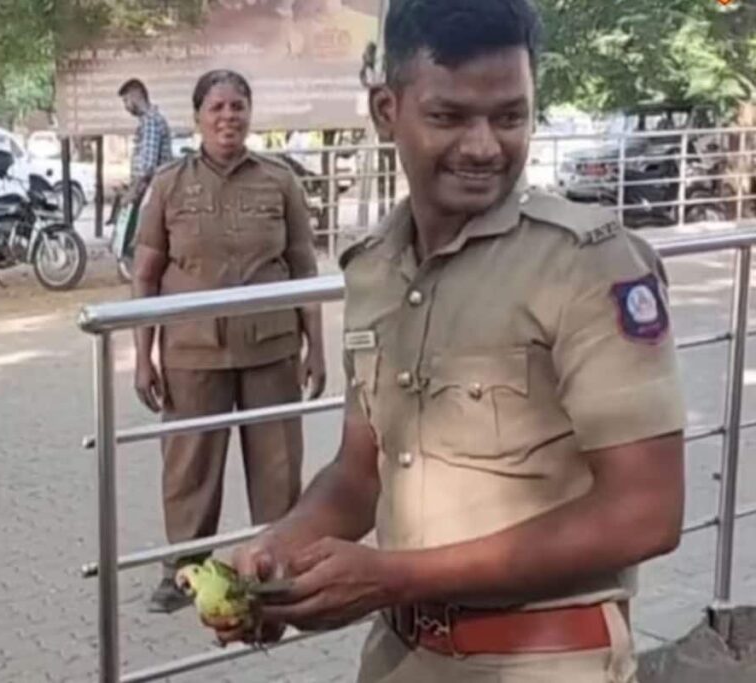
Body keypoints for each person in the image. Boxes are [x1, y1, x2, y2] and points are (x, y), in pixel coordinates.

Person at [206, 1, 687, 681]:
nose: (485, 145)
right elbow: (358, 472)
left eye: (511, 116)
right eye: (450, 117)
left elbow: (646, 511)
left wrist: (395, 576)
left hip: (546, 660)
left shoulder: (587, 264)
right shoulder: (373, 268)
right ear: (386, 110)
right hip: (400, 657)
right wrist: (275, 555)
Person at [132, 69, 326, 613]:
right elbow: (145, 274)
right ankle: (182, 570)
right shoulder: (170, 183)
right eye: (216, 107)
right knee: (189, 464)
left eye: (238, 106)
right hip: (192, 352)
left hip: (272, 347)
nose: (228, 117)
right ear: (197, 117)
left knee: (278, 462)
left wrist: (317, 345)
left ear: (249, 113)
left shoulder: (278, 179)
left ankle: (277, 565)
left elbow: (304, 266)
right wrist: (141, 357)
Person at [118, 78, 174, 205]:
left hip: (154, 194)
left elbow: (147, 167)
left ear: (136, 96)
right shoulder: (149, 120)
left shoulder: (150, 121)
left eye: (126, 100)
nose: (126, 107)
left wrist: (132, 193)